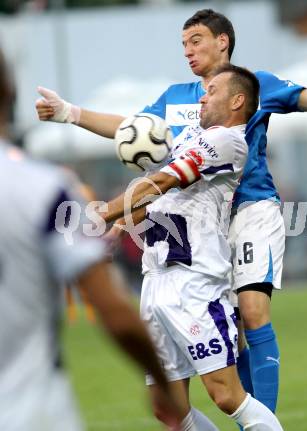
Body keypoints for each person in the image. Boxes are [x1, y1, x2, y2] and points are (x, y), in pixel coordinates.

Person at [35, 8, 307, 414]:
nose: (188, 51)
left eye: (196, 41)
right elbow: (129, 128)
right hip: (203, 224)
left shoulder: (255, 85)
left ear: (222, 41)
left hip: (250, 209)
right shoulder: (175, 97)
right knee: (231, 335)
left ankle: (260, 421)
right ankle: (252, 417)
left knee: (252, 310)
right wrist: (69, 113)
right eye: (183, 45)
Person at [0, 47, 181, 431]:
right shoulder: (43, 188)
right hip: (34, 412)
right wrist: (162, 381)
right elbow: (114, 312)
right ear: (9, 91)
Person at [99, 65, 283, 430]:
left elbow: (162, 182)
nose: (202, 95)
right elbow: (155, 197)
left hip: (195, 282)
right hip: (155, 277)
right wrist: (119, 225)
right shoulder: (189, 139)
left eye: (212, 90)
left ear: (237, 100)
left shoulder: (228, 140)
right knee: (168, 407)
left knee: (226, 395)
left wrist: (98, 215)